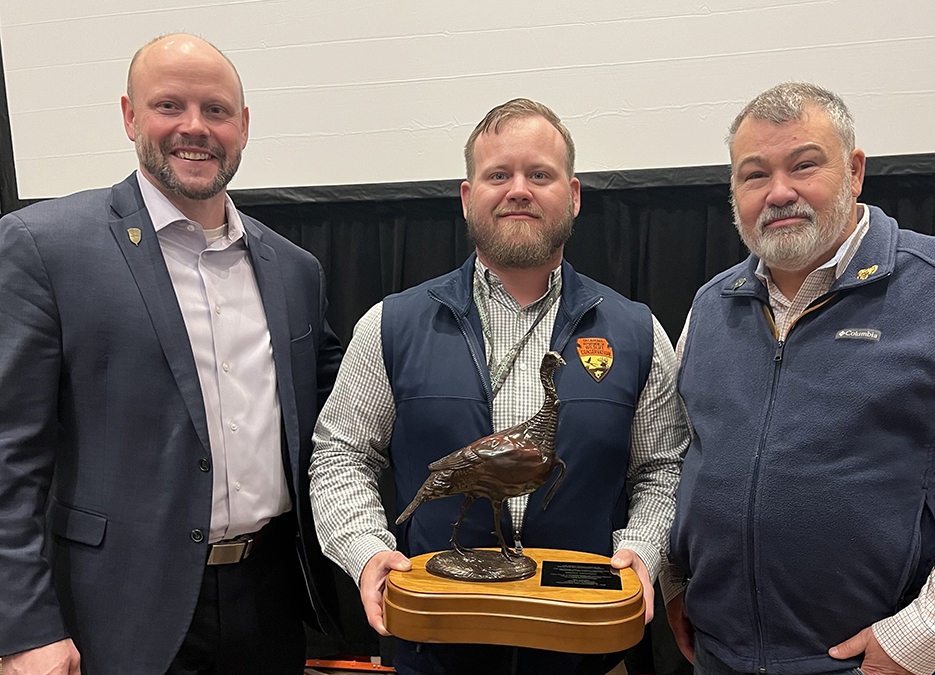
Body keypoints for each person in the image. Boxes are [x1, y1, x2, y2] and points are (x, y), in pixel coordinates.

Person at [666, 82, 935, 675]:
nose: (779, 192)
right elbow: (679, 463)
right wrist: (674, 579)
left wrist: (921, 634)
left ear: (856, 171)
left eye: (805, 165)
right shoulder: (711, 307)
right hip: (718, 656)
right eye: (754, 174)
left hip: (863, 664)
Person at [0, 34, 343, 675]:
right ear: (130, 116)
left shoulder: (296, 271)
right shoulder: (43, 249)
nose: (195, 127)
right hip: (116, 610)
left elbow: (336, 421)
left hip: (270, 602)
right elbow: (7, 458)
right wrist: (22, 628)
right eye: (169, 106)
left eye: (216, 110)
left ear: (243, 126)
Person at [310, 98, 689, 675]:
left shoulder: (637, 332)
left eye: (540, 174)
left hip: (583, 647)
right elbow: (340, 456)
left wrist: (643, 548)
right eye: (498, 175)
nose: (519, 190)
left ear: (575, 194)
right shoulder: (389, 325)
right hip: (437, 643)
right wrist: (365, 552)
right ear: (468, 198)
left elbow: (663, 468)